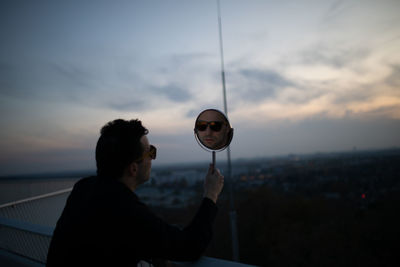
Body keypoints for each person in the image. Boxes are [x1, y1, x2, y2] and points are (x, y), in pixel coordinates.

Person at [46, 119, 224, 267]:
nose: (153, 158)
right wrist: (211, 194)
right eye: (150, 153)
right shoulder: (127, 212)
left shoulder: (83, 188)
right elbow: (190, 246)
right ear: (133, 169)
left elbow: (105, 244)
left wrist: (150, 251)